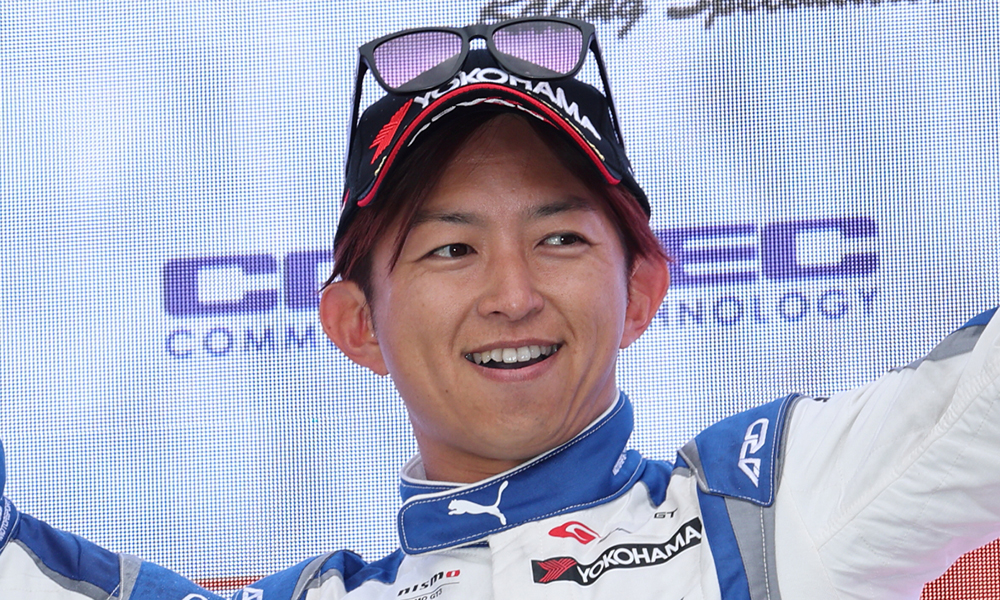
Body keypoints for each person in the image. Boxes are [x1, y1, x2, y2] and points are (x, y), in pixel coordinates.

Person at [1, 17, 998, 600]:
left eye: (559, 239)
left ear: (642, 288)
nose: (513, 295)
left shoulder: (770, 511)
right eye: (451, 248)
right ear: (357, 325)